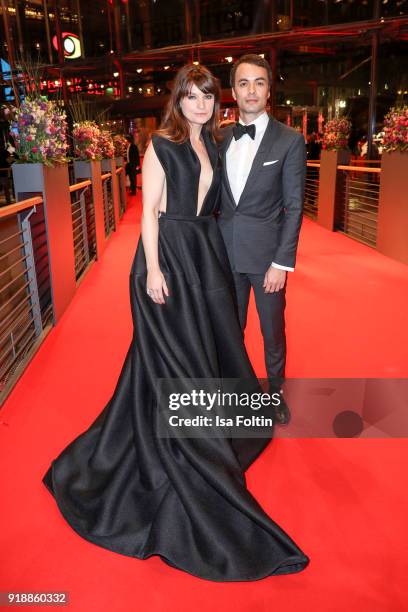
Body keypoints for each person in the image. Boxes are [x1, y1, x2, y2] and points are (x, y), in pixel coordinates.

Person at [42, 64, 309, 582]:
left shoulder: (214, 142)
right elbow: (148, 212)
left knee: (194, 355)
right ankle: (187, 458)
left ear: (217, 101)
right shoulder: (160, 146)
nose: (201, 104)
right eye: (191, 97)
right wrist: (154, 270)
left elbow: (264, 203)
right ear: (178, 102)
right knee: (177, 359)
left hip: (206, 259)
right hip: (166, 263)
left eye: (207, 96)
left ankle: (202, 427)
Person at [218, 54, 307, 425]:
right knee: (230, 327)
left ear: (269, 90)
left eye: (258, 82)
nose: (251, 90)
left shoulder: (289, 140)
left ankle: (275, 392)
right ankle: (238, 391)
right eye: (243, 83)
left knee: (272, 331)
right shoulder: (219, 136)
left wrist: (281, 263)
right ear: (234, 92)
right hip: (224, 254)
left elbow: (293, 206)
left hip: (268, 259)